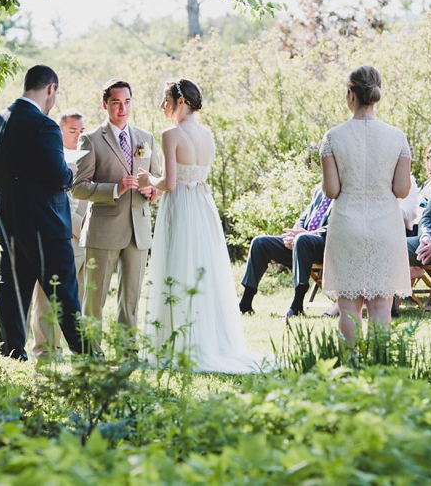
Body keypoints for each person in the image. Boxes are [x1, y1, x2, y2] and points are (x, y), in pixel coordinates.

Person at [138, 78, 264, 373]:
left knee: (177, 266)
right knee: (202, 271)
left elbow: (169, 183)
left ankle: (176, 341)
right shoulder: (207, 135)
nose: (162, 106)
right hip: (203, 206)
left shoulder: (172, 134)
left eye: (166, 100)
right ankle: (208, 339)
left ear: (180, 102)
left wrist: (146, 180)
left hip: (181, 204)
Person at [0, 65, 86, 360]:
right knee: (65, 296)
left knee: (12, 298)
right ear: (50, 88)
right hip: (47, 229)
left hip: (8, 225)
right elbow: (57, 176)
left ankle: (11, 355)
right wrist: (71, 170)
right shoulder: (45, 125)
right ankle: (88, 359)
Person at [320, 65, 412, 348]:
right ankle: (379, 367)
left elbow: (332, 190)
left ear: (350, 94)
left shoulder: (333, 137)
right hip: (385, 224)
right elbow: (402, 190)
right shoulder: (396, 137)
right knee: (381, 308)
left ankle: (350, 365)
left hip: (347, 224)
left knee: (348, 306)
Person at [71, 80, 160, 341]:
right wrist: (114, 189)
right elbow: (78, 187)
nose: (122, 108)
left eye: (127, 102)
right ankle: (91, 352)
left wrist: (152, 191)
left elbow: (157, 179)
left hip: (139, 230)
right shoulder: (91, 139)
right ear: (105, 105)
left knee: (130, 298)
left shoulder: (146, 138)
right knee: (94, 298)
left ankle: (127, 351)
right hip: (103, 230)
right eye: (116, 103)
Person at [29, 109, 88, 358]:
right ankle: (45, 349)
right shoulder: (48, 155)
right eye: (72, 131)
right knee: (46, 296)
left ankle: (75, 347)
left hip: (84, 236)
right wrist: (79, 225)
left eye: (81, 131)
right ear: (60, 130)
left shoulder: (85, 156)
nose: (77, 136)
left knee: (77, 295)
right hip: (58, 232)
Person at [238, 184, 332, 318]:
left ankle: (297, 306)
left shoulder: (346, 190)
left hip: (325, 245)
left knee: (302, 239)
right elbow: (304, 217)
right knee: (259, 243)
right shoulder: (320, 189)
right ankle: (245, 304)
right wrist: (293, 234)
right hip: (301, 241)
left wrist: (306, 234)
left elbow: (339, 225)